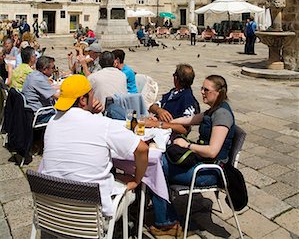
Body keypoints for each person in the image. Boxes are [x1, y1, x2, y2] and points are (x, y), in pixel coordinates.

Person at [41, 75, 149, 218]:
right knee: (127, 182)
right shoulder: (102, 124)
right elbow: (142, 149)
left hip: (55, 210)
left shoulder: (52, 122)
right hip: (91, 215)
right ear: (83, 99)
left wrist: (91, 112)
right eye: (92, 93)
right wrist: (136, 180)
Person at [146, 74, 235, 237]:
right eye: (202, 88)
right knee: (159, 160)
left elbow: (213, 151)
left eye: (206, 90)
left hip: (209, 173)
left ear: (218, 93)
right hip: (201, 164)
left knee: (154, 166)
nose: (201, 92)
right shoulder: (213, 110)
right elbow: (189, 120)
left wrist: (186, 145)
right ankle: (162, 209)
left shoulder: (222, 115)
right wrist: (162, 122)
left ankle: (167, 222)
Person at [22, 56, 58, 122]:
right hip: (41, 115)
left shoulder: (33, 75)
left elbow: (48, 88)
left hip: (33, 111)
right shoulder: (39, 79)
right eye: (52, 68)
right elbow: (57, 96)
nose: (54, 70)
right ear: (44, 70)